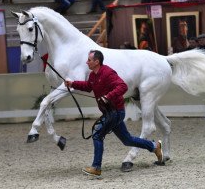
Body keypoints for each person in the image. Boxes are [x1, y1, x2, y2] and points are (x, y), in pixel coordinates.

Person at [64, 50, 163, 178]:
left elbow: (122, 86)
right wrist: (73, 84)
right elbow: (89, 86)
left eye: (89, 60)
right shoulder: (93, 75)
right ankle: (154, 146)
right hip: (109, 112)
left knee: (97, 135)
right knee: (127, 140)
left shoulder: (108, 73)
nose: (86, 62)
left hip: (116, 111)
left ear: (96, 62)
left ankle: (96, 167)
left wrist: (108, 96)